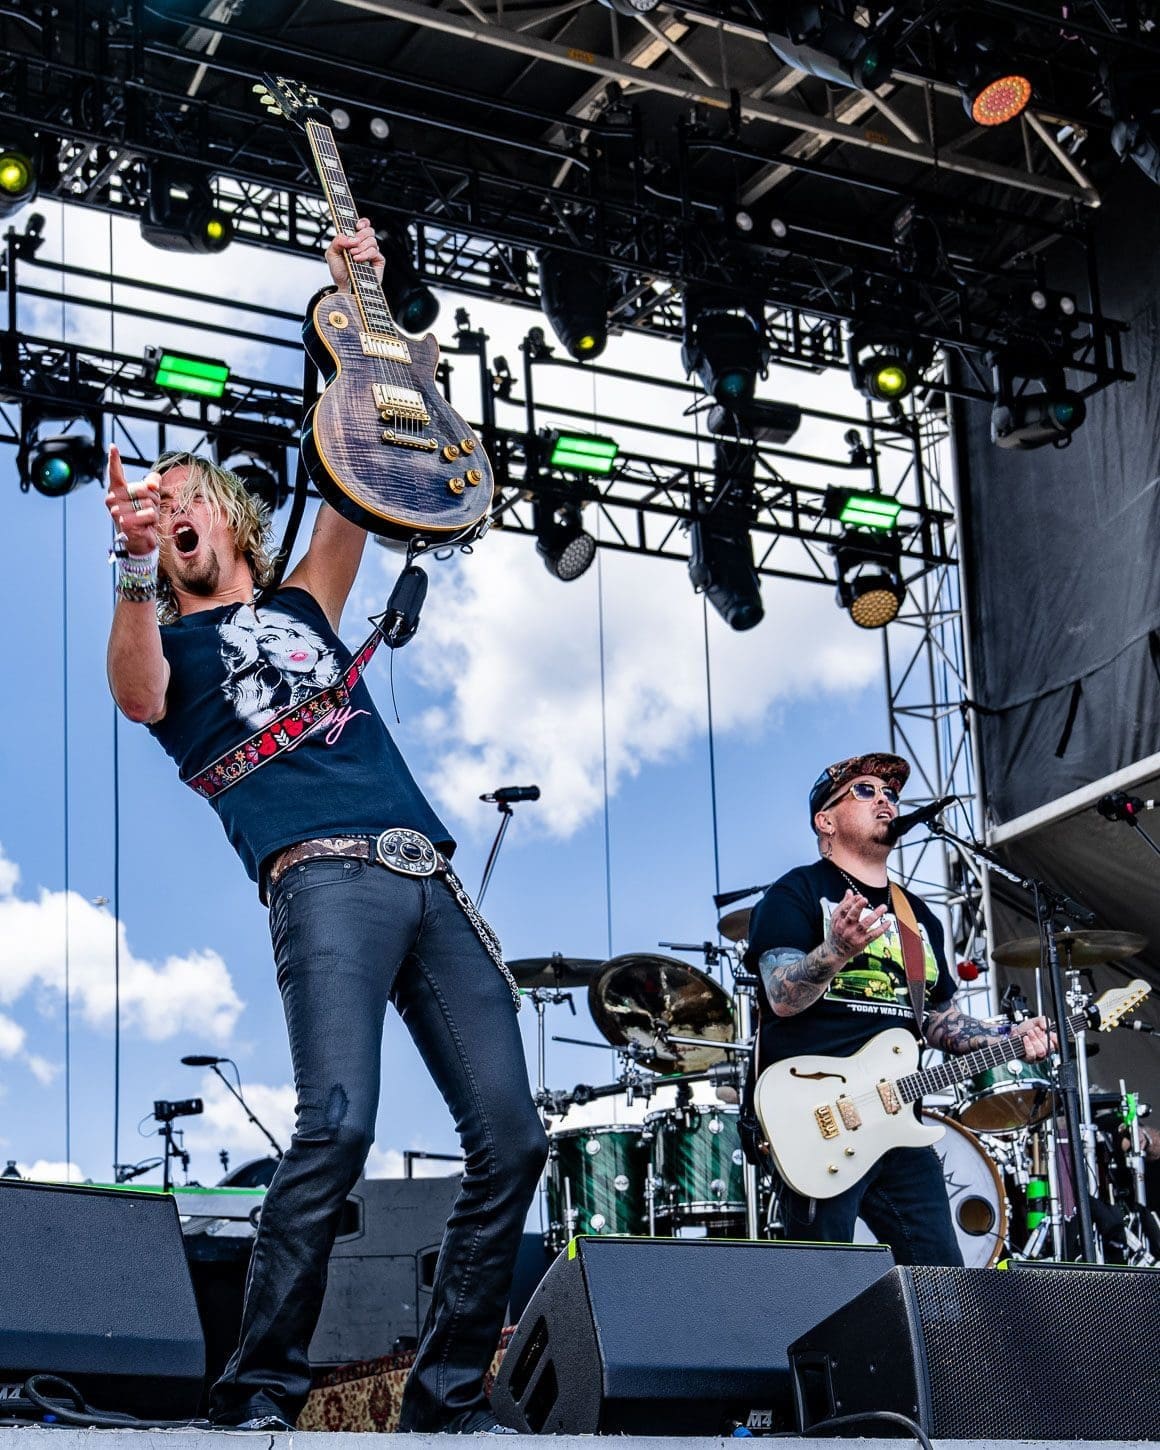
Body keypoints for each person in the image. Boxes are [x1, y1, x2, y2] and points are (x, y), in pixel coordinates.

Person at [104, 218, 547, 1433]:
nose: (172, 509)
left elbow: (365, 464)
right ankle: (259, 1390)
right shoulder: (168, 640)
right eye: (158, 505)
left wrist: (365, 298)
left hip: (430, 878)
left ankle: (448, 1395)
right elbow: (138, 696)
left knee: (514, 1136)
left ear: (233, 523)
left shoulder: (305, 593)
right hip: (323, 882)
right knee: (337, 1123)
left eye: (190, 501)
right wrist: (134, 565)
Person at [743, 752, 1054, 1264]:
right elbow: (782, 995)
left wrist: (1012, 1040)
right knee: (820, 1288)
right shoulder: (795, 893)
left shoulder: (916, 917)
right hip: (816, 1116)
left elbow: (940, 1021)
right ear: (826, 820)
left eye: (890, 794)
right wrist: (836, 950)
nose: (885, 800)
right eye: (864, 791)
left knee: (941, 1282)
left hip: (897, 1120)